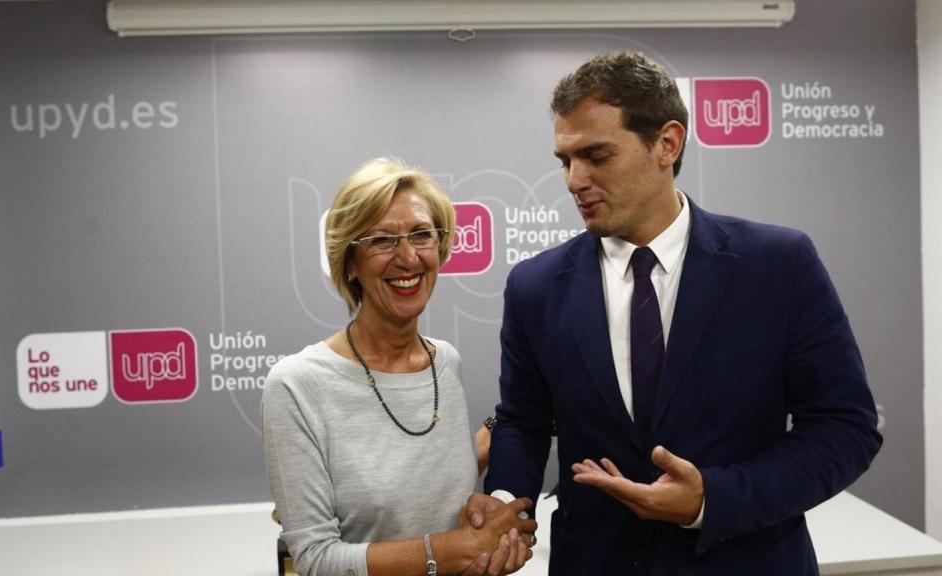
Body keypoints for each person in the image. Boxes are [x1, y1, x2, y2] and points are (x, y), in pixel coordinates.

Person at [468, 52, 883, 574]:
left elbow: (845, 428)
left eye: (596, 155)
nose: (575, 180)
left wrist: (712, 499)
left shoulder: (778, 265)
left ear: (668, 143)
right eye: (565, 160)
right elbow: (523, 423)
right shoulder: (534, 286)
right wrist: (507, 499)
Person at [262, 158, 537, 576]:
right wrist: (455, 549)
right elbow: (316, 560)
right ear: (350, 262)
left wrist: (491, 532)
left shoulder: (446, 362)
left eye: (422, 235)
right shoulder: (297, 386)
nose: (408, 257)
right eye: (382, 241)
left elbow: (428, 485)